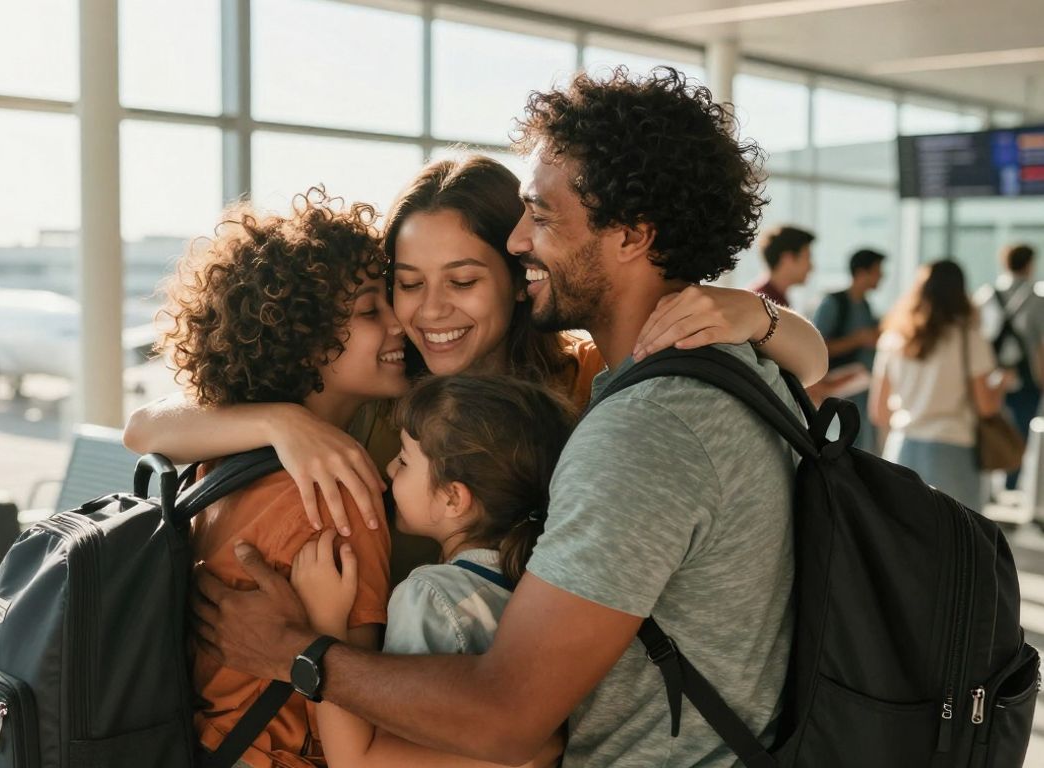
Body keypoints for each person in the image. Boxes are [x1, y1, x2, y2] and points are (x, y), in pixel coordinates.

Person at [195, 66, 803, 767]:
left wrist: (292, 651)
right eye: (408, 284)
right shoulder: (723, 377)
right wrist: (279, 424)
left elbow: (510, 718)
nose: (521, 241)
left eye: (541, 216)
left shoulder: (642, 429)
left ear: (632, 235)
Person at [124, 154, 828, 573]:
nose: (430, 311)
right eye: (406, 282)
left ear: (520, 274)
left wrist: (755, 314)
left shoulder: (582, 378)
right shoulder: (384, 396)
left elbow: (812, 361)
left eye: (462, 282)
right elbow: (146, 427)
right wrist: (281, 423)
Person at [168, 188, 398, 767]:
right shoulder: (336, 497)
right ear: (306, 340)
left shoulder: (221, 462)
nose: (401, 323)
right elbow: (350, 718)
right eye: (372, 310)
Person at [289, 374, 571, 768]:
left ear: (453, 497)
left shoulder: (430, 597)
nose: (388, 468)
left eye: (404, 460)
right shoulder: (549, 589)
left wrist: (325, 625)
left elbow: (359, 760)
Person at [872, 259, 1011, 509]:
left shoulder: (894, 338)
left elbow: (879, 412)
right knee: (959, 540)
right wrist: (1000, 384)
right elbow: (987, 407)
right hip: (953, 449)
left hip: (901, 448)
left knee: (903, 539)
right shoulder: (969, 338)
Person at [974, 243, 1044, 490]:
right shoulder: (1038, 298)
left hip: (990, 372)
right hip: (1026, 375)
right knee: (1023, 429)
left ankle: (991, 484)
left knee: (991, 425)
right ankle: (1013, 483)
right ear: (1029, 264)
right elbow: (1040, 345)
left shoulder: (985, 295)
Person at [812, 248, 885, 450]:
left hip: (862, 391)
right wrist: (858, 339)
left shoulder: (866, 306)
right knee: (838, 445)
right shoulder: (834, 303)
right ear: (862, 272)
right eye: (878, 271)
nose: (882, 276)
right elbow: (817, 347)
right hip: (840, 391)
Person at [750, 225, 814, 307]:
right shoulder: (762, 303)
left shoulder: (774, 299)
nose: (811, 267)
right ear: (787, 259)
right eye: (807, 258)